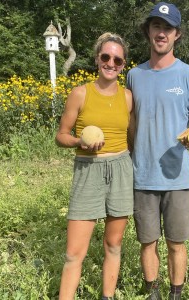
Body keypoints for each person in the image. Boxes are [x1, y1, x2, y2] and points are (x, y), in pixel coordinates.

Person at [126, 2, 189, 300]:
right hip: (142, 175)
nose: (161, 33)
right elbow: (130, 122)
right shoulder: (134, 75)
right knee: (147, 242)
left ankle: (176, 294)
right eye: (156, 26)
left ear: (177, 35)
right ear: (148, 31)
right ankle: (153, 293)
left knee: (176, 242)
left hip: (177, 177)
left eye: (168, 28)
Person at [55, 32, 134, 300]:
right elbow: (61, 136)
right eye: (106, 57)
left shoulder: (127, 97)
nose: (111, 63)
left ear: (123, 64)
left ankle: (107, 296)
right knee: (74, 252)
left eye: (118, 59)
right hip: (88, 170)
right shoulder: (80, 93)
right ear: (97, 59)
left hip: (121, 169)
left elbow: (132, 138)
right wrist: (79, 141)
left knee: (113, 244)